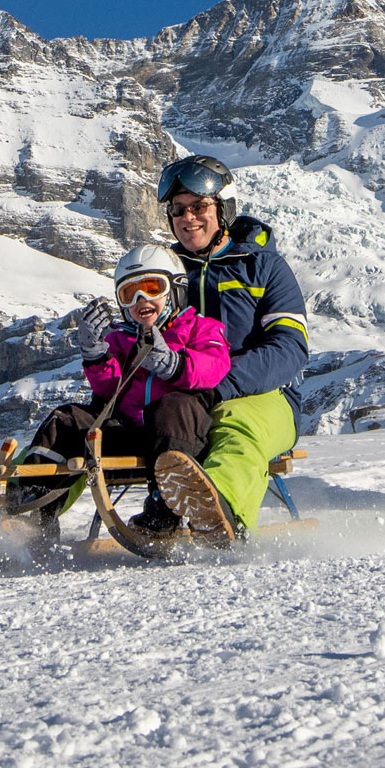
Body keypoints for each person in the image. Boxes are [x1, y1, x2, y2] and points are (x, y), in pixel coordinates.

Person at [141, 154, 309, 544]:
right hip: (181, 399)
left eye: (199, 206)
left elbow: (289, 347)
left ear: (224, 209)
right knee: (86, 425)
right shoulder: (163, 271)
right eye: (178, 209)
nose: (188, 218)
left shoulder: (261, 266)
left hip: (264, 396)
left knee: (236, 426)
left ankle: (220, 512)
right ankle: (10, 507)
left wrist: (221, 383)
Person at [4, 244, 231, 527]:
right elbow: (110, 389)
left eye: (152, 287)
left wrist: (174, 364)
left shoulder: (200, 327)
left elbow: (214, 367)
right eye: (129, 293)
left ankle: (163, 511)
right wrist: (96, 354)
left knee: (172, 407)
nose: (140, 299)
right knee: (66, 420)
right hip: (127, 432)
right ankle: (31, 502)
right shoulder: (120, 338)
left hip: (177, 438)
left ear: (175, 290)